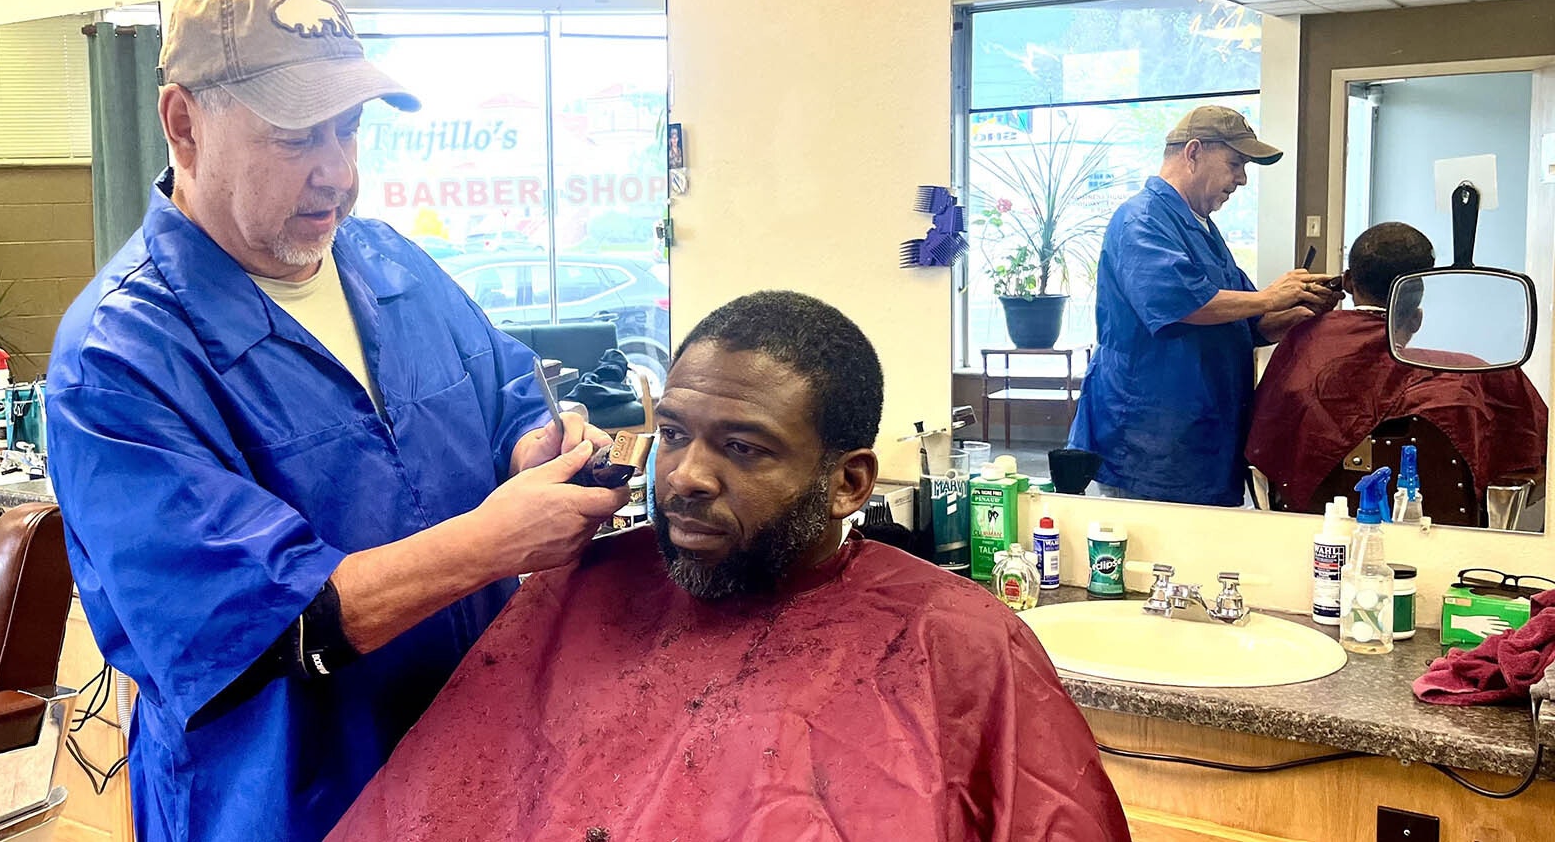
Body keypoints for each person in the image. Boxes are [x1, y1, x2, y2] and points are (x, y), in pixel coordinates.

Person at [45, 0, 628, 842]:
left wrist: (536, 448)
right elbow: (274, 623)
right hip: (287, 804)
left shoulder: (391, 264)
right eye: (295, 137)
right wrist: (499, 539)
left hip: (478, 760)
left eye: (349, 130)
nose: (337, 175)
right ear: (182, 122)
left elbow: (507, 396)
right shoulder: (120, 359)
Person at [327, 291, 1133, 841]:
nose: (685, 476)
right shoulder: (586, 590)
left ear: (849, 482)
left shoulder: (950, 642)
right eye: (673, 433)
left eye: (741, 448)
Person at [1067, 105, 1340, 506]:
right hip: (1150, 443)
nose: (1242, 179)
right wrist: (1271, 296)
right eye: (1235, 164)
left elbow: (1249, 323)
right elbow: (1183, 305)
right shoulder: (1140, 221)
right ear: (1192, 153)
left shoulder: (1202, 229)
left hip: (1203, 440)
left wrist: (1300, 309)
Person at [1248, 222, 1548, 514]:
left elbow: (1264, 446)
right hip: (1450, 539)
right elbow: (1531, 458)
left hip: (1318, 534)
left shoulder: (1305, 347)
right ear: (1418, 312)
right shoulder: (1479, 376)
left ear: (1349, 282)